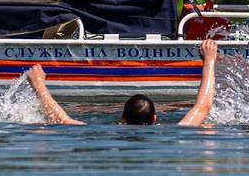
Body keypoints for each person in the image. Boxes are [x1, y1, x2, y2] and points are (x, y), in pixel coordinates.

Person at [24, 39, 219, 126]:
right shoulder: (176, 132)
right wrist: (209, 60)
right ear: (154, 119)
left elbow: (62, 120)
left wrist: (39, 84)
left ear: (122, 118)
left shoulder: (107, 132)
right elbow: (203, 106)